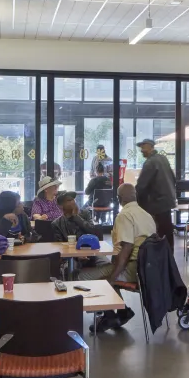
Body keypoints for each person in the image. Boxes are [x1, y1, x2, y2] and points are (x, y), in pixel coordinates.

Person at [78, 184, 154, 332]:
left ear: (119, 199)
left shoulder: (124, 215)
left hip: (133, 268)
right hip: (147, 267)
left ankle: (109, 315)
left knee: (81, 276)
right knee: (103, 266)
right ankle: (121, 311)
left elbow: (126, 249)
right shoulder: (146, 215)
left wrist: (113, 276)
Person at [135, 138, 177, 245]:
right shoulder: (163, 159)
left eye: (143, 147)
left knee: (156, 232)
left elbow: (141, 186)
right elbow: (173, 178)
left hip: (156, 204)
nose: (141, 150)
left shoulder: (150, 163)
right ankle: (169, 255)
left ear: (150, 147)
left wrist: (135, 202)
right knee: (167, 230)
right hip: (167, 202)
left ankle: (158, 257)